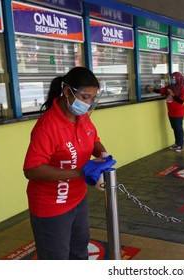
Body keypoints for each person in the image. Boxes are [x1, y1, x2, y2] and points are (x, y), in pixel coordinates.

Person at [23, 67, 115, 260]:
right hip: (51, 206)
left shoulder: (82, 118)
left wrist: (102, 154)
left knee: (79, 253)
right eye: (85, 97)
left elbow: (93, 139)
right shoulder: (48, 126)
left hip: (78, 200)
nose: (89, 104)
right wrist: (80, 172)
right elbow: (32, 169)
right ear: (67, 91)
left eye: (92, 98)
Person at [146, 72, 184, 152]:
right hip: (171, 112)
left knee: (178, 129)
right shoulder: (169, 87)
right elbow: (161, 90)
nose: (172, 80)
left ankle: (180, 145)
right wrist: (152, 89)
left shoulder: (182, 88)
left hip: (178, 113)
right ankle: (177, 144)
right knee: (174, 128)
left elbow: (181, 101)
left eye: (174, 78)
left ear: (178, 79)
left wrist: (173, 94)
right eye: (171, 78)